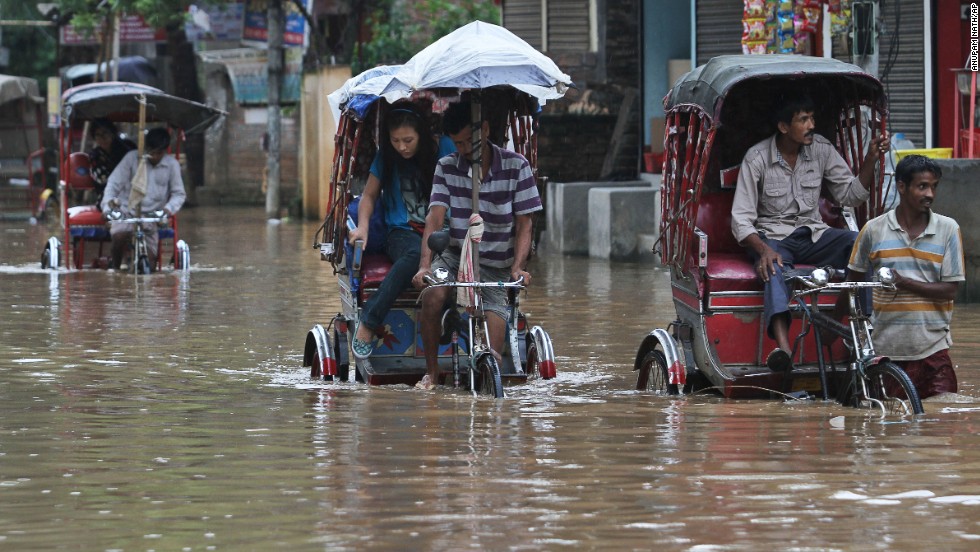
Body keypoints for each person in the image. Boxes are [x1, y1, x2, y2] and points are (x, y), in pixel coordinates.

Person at [730, 94, 890, 372]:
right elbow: (741, 221)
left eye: (812, 118)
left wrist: (870, 160)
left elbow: (850, 195)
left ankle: (858, 333)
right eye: (803, 120)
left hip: (814, 234)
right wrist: (764, 250)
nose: (811, 125)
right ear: (783, 127)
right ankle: (784, 350)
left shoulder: (821, 150)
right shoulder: (757, 158)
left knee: (860, 244)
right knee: (773, 267)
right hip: (774, 237)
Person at [411, 100, 542, 390]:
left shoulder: (516, 166)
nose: (465, 149)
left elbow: (525, 225)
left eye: (469, 141)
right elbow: (435, 219)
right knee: (432, 296)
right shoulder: (446, 167)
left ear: (484, 129)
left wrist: (518, 267)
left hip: (495, 265)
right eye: (457, 143)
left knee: (494, 349)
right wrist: (423, 266)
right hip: (455, 255)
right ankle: (432, 373)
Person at [840, 155, 964, 399]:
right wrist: (834, 327)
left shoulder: (948, 229)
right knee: (892, 425)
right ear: (901, 187)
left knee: (943, 421)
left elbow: (950, 290)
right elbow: (852, 283)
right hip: (888, 351)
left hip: (933, 350)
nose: (930, 193)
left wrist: (905, 282)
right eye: (922, 186)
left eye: (934, 186)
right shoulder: (873, 230)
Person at [348, 101, 455, 359]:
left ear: (422, 134)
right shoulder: (386, 156)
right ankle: (369, 321)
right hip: (401, 232)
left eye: (408, 140)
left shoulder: (444, 148)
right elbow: (369, 196)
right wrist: (362, 227)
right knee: (413, 257)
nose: (402, 147)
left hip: (444, 230)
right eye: (395, 141)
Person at [100, 127, 186, 271]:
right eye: (151, 151)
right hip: (126, 212)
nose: (154, 156)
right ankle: (114, 267)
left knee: (151, 264)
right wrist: (107, 208)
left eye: (158, 153)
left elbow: (179, 194)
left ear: (165, 151)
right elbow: (113, 184)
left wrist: (167, 210)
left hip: (152, 217)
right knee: (119, 235)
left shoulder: (172, 165)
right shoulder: (132, 158)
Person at [87, 118, 135, 205]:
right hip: (108, 195)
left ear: (112, 133)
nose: (102, 138)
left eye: (105, 133)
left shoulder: (127, 148)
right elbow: (103, 179)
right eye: (98, 135)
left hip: (132, 192)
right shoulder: (95, 156)